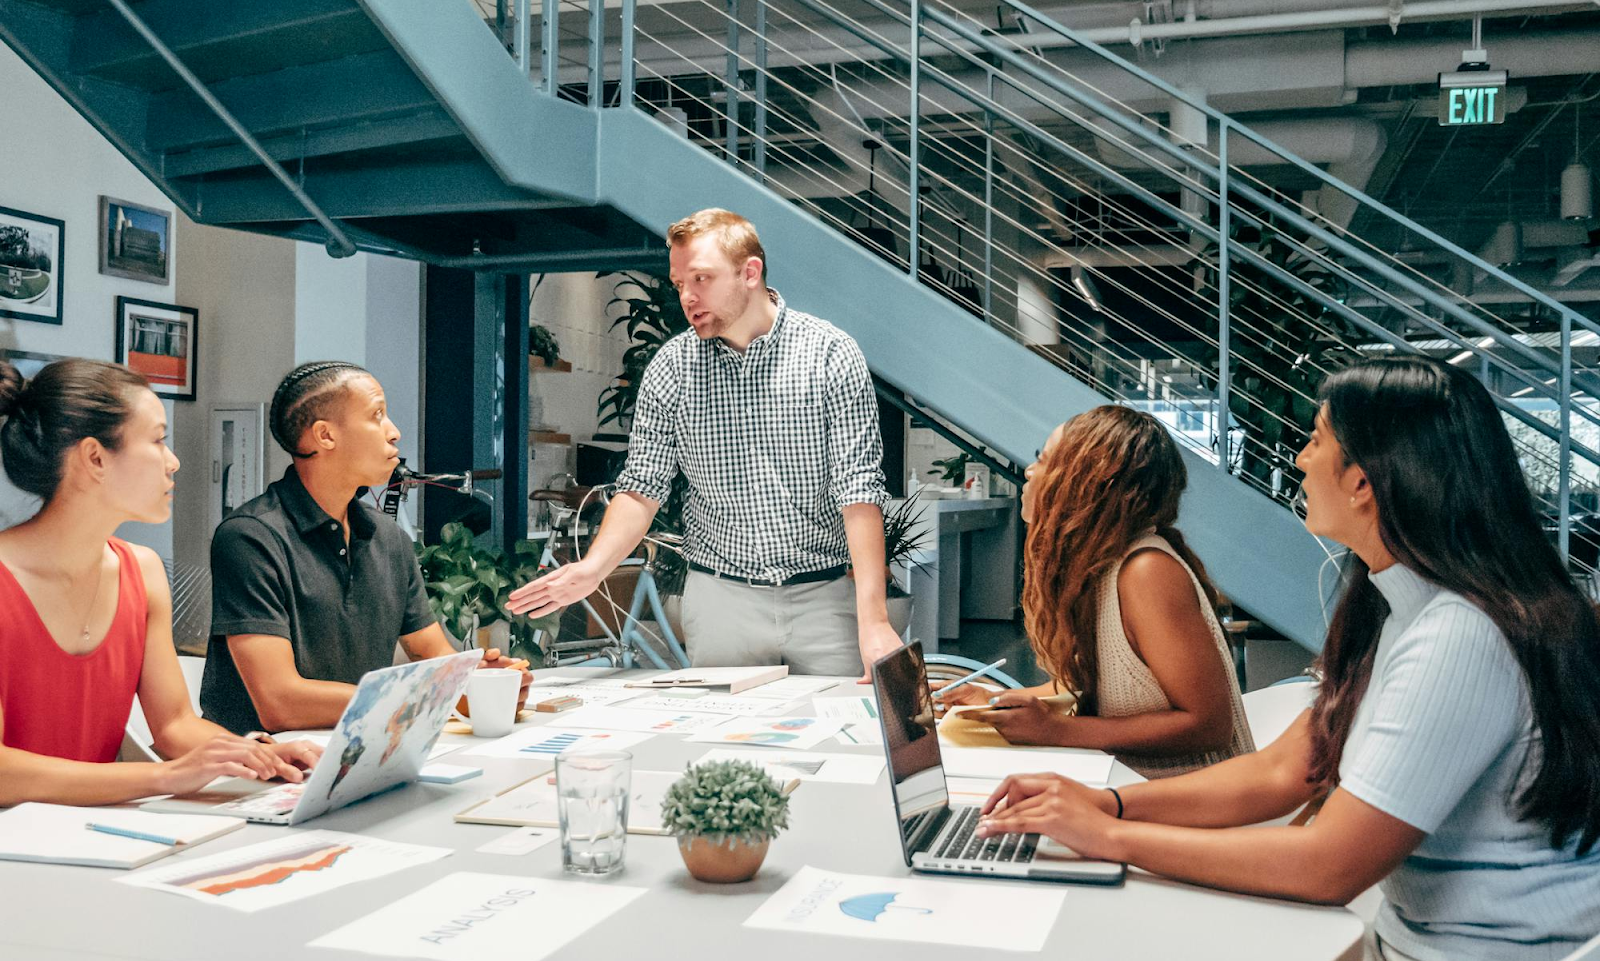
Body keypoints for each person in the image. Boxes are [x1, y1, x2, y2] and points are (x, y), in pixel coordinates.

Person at [974, 357, 1600, 961]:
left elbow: (1329, 864)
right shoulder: (1396, 604)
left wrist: (1110, 836)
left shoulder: (1460, 635)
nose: (1298, 457)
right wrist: (1103, 801)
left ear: (1364, 482)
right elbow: (1282, 771)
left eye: (1315, 439)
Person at [508, 207, 899, 678]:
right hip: (720, 602)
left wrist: (874, 620)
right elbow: (642, 489)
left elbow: (858, 492)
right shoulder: (671, 368)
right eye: (678, 284)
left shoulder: (831, 355)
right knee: (723, 748)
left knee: (839, 740)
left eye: (701, 279)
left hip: (824, 597)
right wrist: (592, 569)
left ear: (749, 272)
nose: (687, 297)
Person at [0, 358, 320, 805]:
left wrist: (256, 754)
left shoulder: (143, 570)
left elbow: (174, 725)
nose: (174, 462)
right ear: (94, 458)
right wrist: (165, 778)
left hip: (91, 838)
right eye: (158, 440)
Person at [201, 361, 528, 735]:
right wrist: (420, 694)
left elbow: (432, 651)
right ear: (325, 436)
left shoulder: (386, 537)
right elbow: (280, 703)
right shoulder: (250, 538)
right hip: (259, 769)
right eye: (377, 416)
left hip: (361, 749)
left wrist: (482, 682)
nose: (394, 432)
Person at [936, 406, 1253, 777]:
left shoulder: (1146, 572)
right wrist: (993, 701)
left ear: (1089, 483)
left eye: (1046, 459)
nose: (1030, 470)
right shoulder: (1098, 566)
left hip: (1199, 806)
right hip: (1131, 788)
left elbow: (1209, 726)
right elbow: (1087, 687)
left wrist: (1056, 730)